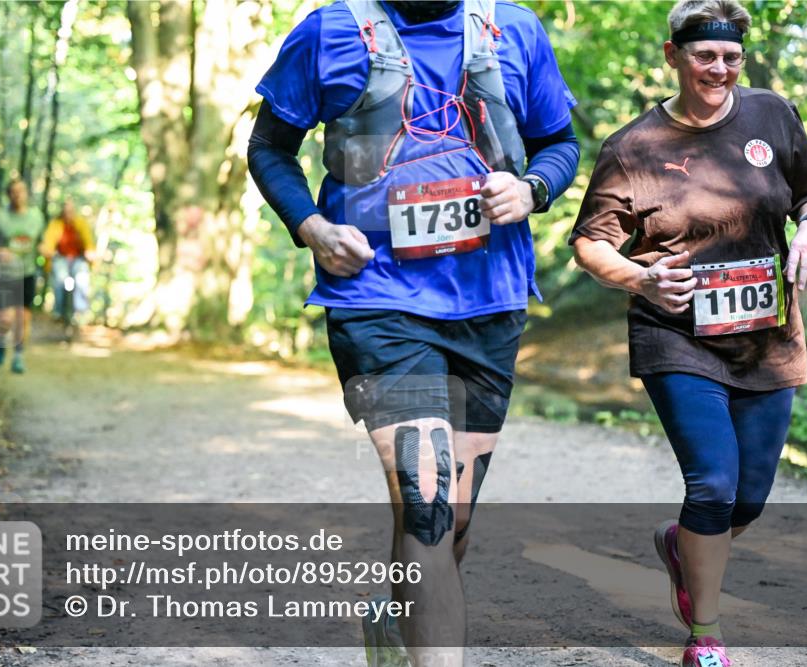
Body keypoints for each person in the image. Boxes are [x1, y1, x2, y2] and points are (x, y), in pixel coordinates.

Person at [248, 1, 578, 664]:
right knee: (426, 497)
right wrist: (312, 227)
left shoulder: (515, 28)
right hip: (377, 299)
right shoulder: (329, 31)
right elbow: (269, 148)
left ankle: (394, 618)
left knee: (450, 520)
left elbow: (559, 143)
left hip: (491, 303)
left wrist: (533, 189)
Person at [569, 1, 807, 665]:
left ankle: (680, 544)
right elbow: (591, 242)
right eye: (705, 56)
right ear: (673, 56)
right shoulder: (633, 148)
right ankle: (705, 636)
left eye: (731, 57)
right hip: (675, 332)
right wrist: (638, 278)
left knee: (747, 497)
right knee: (712, 484)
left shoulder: (771, 114)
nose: (719, 68)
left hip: (767, 334)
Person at [0, 180, 45, 374]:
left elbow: (41, 242)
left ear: (26, 193)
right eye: (13, 192)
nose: (18, 195)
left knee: (23, 318)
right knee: (6, 319)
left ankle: (18, 355)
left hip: (27, 272)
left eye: (21, 191)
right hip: (3, 274)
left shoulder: (36, 217)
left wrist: (45, 250)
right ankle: (1, 341)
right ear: (8, 195)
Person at [39, 200, 96, 323]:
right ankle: (58, 311)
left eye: (70, 211)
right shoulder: (55, 224)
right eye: (65, 212)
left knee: (81, 278)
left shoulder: (81, 223)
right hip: (60, 257)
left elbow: (88, 242)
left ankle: (80, 311)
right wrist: (47, 250)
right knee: (60, 278)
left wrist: (90, 252)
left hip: (78, 258)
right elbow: (48, 241)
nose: (68, 214)